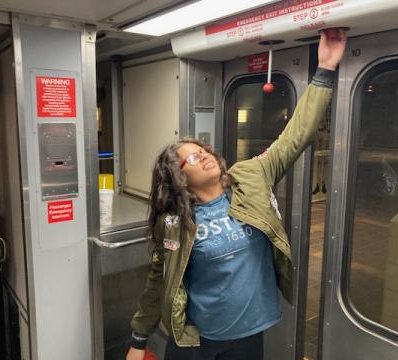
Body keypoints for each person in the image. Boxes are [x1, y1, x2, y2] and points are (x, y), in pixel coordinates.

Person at [126, 29, 347, 360]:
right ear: (178, 179)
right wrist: (138, 340)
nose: (204, 155)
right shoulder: (174, 222)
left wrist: (325, 69)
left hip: (248, 335)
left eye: (203, 150)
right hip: (194, 339)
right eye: (191, 157)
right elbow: (159, 280)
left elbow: (295, 137)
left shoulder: (252, 177)